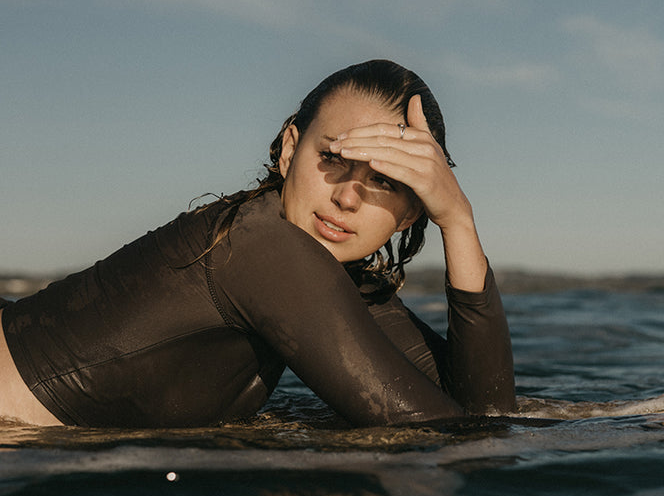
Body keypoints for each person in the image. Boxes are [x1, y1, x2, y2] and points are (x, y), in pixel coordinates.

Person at [0, 60, 515, 428]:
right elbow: (441, 433)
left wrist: (458, 222)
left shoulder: (327, 271)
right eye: (333, 158)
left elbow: (485, 409)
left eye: (384, 179)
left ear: (409, 213)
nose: (347, 197)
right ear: (291, 149)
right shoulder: (263, 247)